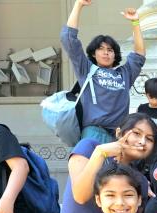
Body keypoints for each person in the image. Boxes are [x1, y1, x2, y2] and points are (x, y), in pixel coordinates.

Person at [60, 0, 145, 143]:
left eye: (110, 50)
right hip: (94, 132)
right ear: (94, 53)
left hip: (118, 135)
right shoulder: (86, 69)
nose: (106, 53)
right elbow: (69, 39)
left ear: (115, 54)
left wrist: (135, 23)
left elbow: (139, 55)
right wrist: (78, 4)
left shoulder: (124, 74)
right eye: (101, 49)